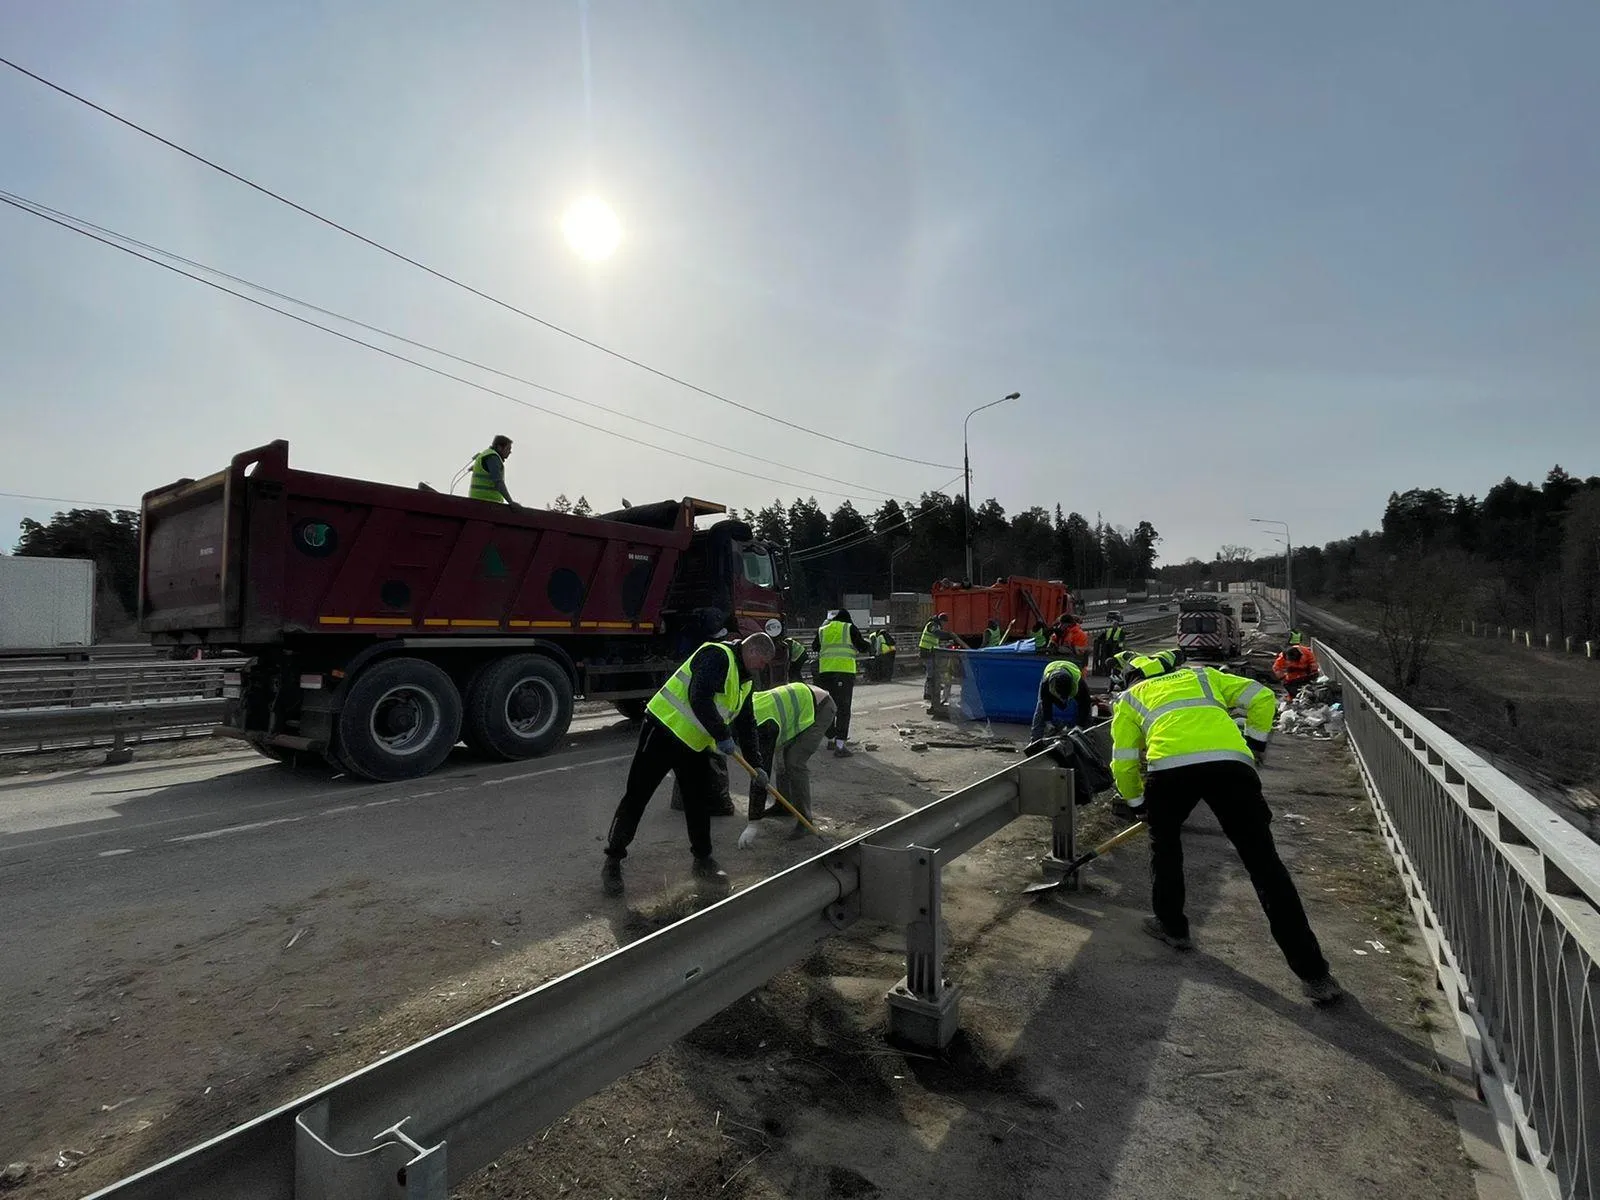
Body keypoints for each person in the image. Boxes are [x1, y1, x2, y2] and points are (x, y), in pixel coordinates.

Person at [1110, 653, 1341, 1005]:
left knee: (1166, 848)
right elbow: (1264, 697)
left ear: (1130, 679)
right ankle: (1315, 974)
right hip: (1231, 767)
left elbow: (1124, 761)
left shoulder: (1129, 699)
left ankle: (1172, 928)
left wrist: (1139, 805)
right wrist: (1255, 743)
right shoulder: (1202, 677)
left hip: (1170, 772)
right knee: (1265, 866)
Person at [601, 633, 775, 895]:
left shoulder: (746, 682)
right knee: (637, 796)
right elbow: (699, 696)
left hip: (692, 744)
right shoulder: (716, 655)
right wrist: (722, 735)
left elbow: (747, 724)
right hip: (662, 731)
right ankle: (613, 860)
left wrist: (756, 764)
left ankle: (703, 860)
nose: (763, 667)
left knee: (698, 802)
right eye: (762, 661)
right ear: (752, 652)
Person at [736, 681, 835, 847]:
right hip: (801, 705)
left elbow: (760, 773)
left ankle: (805, 820)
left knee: (794, 762)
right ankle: (784, 805)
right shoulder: (742, 707)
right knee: (781, 759)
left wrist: (753, 822)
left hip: (821, 708)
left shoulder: (761, 725)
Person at [813, 609, 873, 756]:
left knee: (827, 707)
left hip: (825, 673)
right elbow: (862, 646)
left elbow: (815, 647)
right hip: (843, 673)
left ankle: (831, 739)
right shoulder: (849, 628)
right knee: (843, 709)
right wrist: (868, 644)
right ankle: (840, 746)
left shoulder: (822, 630)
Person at [1028, 658, 1094, 744]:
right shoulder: (1046, 684)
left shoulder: (1079, 684)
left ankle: (1086, 736)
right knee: (1040, 707)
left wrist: (1080, 725)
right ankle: (1035, 740)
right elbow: (1045, 703)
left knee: (1086, 707)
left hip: (1071, 672)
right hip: (1051, 671)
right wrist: (1048, 722)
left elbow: (1085, 704)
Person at [468, 435, 518, 505]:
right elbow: (498, 482)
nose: (510, 452)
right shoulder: (492, 458)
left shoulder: (486, 455)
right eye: (508, 449)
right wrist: (511, 502)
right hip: (485, 503)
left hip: (479, 501)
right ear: (499, 447)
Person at [919, 613, 957, 702]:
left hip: (931, 652)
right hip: (926, 651)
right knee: (931, 673)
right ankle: (928, 693)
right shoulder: (932, 625)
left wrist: (948, 638)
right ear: (941, 620)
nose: (944, 624)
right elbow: (937, 633)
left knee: (933, 672)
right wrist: (949, 635)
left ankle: (932, 691)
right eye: (944, 622)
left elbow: (938, 637)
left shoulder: (937, 626)